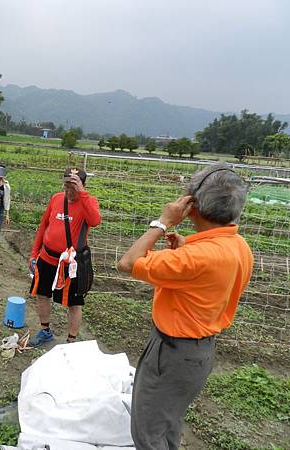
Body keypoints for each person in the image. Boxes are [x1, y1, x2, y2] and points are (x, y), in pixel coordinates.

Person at [116, 163, 253, 450]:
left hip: (172, 354)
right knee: (168, 421)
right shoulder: (238, 246)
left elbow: (127, 262)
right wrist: (186, 245)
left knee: (148, 432)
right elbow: (205, 271)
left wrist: (162, 222)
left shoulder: (195, 259)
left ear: (192, 205)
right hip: (198, 352)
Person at [28, 168, 101, 346]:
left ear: (83, 185)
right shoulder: (56, 198)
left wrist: (81, 194)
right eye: (66, 185)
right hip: (46, 258)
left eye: (73, 185)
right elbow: (44, 225)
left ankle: (71, 341)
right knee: (41, 294)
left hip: (71, 264)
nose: (69, 190)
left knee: (74, 303)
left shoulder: (88, 202)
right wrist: (34, 253)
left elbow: (95, 221)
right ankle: (45, 331)